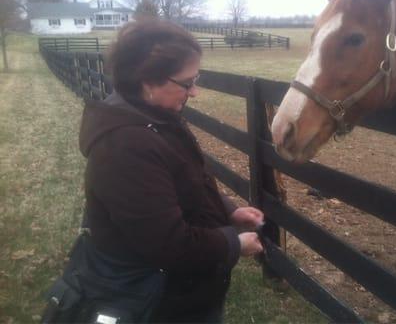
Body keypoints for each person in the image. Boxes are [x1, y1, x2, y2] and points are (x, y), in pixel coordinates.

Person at [78, 18, 264, 323]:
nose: (195, 92)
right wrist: (234, 243)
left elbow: (185, 181)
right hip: (158, 301)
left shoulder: (153, 116)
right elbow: (169, 244)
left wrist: (227, 211)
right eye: (187, 82)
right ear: (147, 80)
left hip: (181, 292)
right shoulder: (126, 145)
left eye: (196, 79)